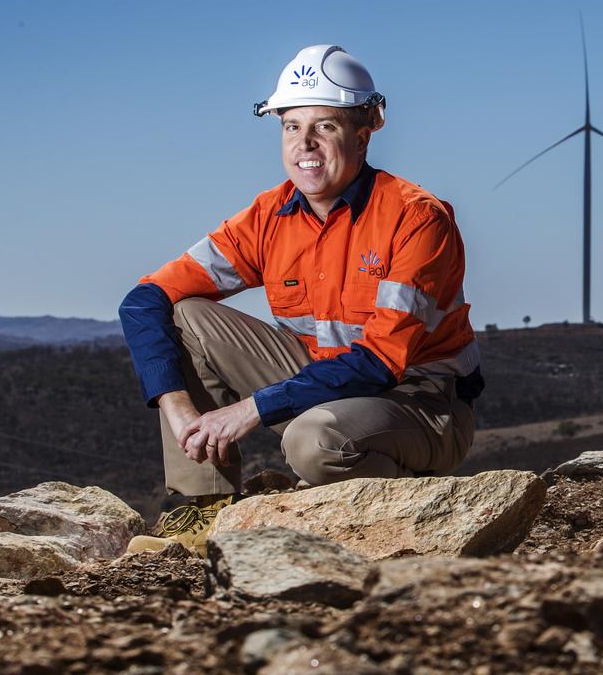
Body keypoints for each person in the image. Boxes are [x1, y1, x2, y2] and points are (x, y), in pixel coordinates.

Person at [119, 45, 482, 554]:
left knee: (312, 441)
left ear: (364, 130)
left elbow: (380, 362)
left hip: (418, 404)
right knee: (182, 314)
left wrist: (250, 410)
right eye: (291, 126)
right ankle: (202, 512)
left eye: (325, 126)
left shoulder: (416, 218)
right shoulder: (271, 215)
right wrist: (177, 408)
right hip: (320, 383)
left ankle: (400, 514)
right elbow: (143, 300)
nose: (304, 143)